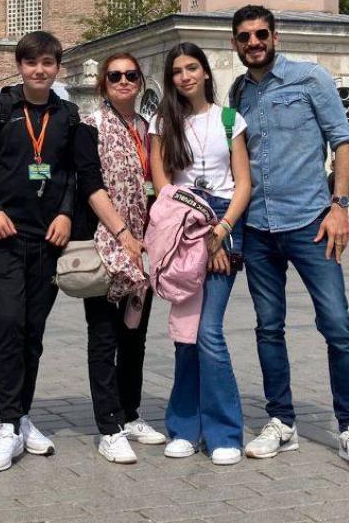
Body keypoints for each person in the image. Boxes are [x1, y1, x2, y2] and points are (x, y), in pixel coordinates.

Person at [228, 6, 349, 472]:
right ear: (235, 44)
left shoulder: (310, 78)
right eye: (244, 37)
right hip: (258, 228)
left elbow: (342, 140)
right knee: (268, 328)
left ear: (275, 36)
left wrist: (340, 205)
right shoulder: (238, 93)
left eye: (261, 34)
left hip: (311, 223)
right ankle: (281, 421)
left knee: (337, 325)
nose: (254, 42)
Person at [0, 31, 81, 473]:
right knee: (7, 324)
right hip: (4, 236)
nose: (39, 70)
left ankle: (21, 416)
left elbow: (73, 171)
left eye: (47, 63)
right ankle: (6, 425)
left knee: (32, 332)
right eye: (31, 63)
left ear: (57, 67)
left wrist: (66, 214)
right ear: (20, 66)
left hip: (47, 239)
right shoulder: (0, 109)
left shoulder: (67, 114)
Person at [148, 42, 251, 466]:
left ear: (205, 72)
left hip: (225, 219)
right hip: (182, 221)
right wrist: (198, 230)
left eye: (192, 68)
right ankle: (185, 428)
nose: (185, 76)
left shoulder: (230, 119)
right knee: (186, 333)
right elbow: (163, 185)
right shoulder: (162, 121)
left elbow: (243, 183)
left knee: (209, 331)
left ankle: (224, 431)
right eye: (177, 71)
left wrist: (220, 233)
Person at [79, 54, 163, 464]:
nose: (124, 81)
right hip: (108, 243)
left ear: (140, 81)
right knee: (104, 336)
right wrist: (123, 234)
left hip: (144, 246)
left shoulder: (148, 129)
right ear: (104, 83)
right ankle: (109, 426)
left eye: (131, 75)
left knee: (135, 335)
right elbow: (90, 185)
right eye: (115, 76)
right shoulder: (91, 125)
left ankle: (130, 413)